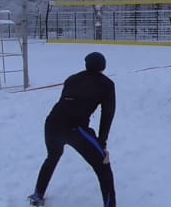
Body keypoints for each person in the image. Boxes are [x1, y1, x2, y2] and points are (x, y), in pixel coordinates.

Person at [28, 52, 116, 207]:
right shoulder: (107, 84)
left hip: (52, 124)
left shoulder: (72, 78)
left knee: (53, 156)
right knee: (103, 165)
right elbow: (107, 114)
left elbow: (66, 103)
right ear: (103, 67)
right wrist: (102, 141)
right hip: (75, 128)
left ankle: (37, 195)